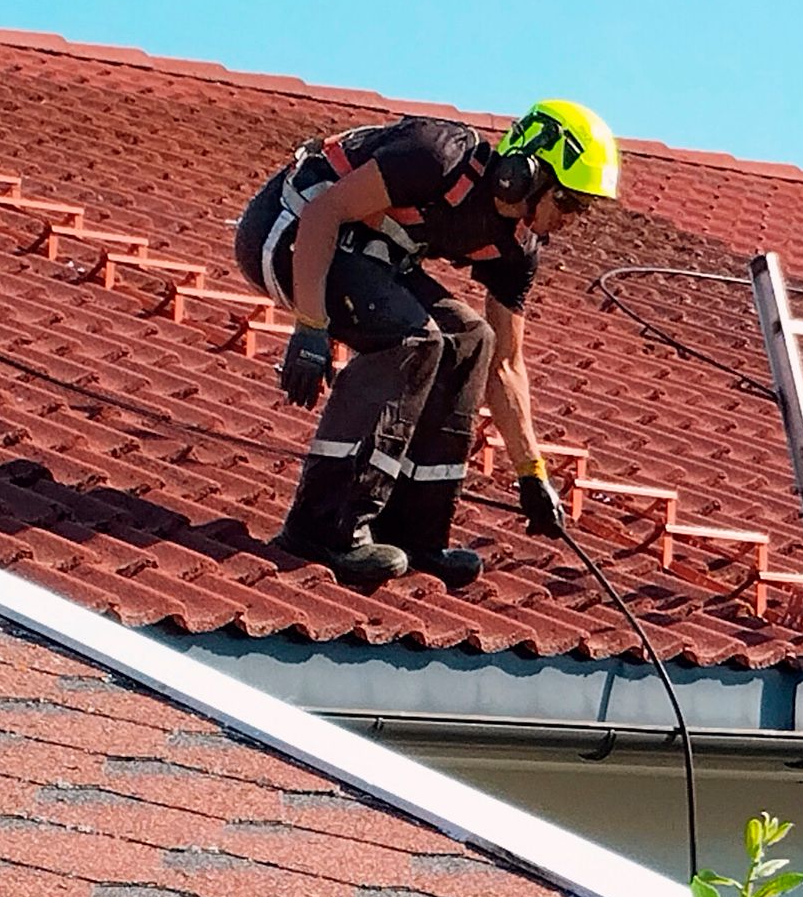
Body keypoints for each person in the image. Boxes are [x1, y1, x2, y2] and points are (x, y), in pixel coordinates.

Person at [232, 99, 620, 590]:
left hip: (370, 257)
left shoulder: (516, 249)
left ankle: (413, 532)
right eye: (568, 202)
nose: (572, 219)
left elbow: (505, 365)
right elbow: (324, 213)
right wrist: (311, 327)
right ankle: (322, 526)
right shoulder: (436, 156)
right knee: (414, 338)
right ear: (523, 174)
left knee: (470, 339)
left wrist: (531, 473)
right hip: (286, 230)